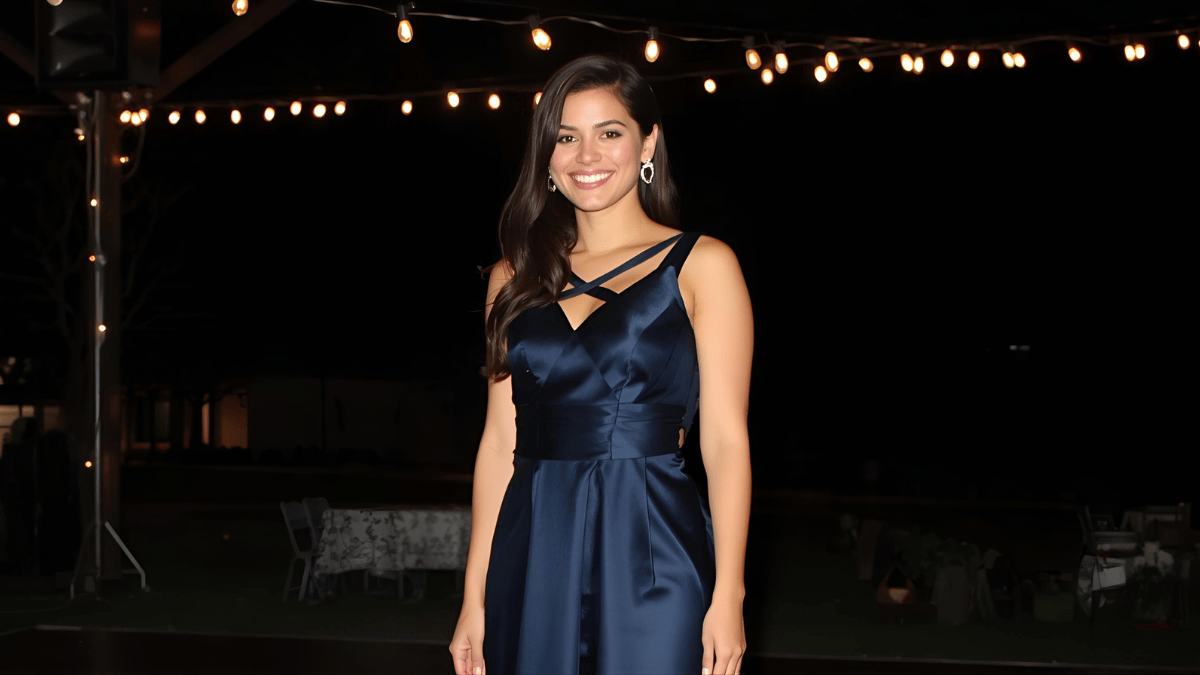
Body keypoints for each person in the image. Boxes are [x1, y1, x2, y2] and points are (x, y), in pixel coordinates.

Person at [450, 54, 753, 675]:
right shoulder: (512, 277)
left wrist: (730, 594)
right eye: (566, 137)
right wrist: (473, 598)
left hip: (653, 546)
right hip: (533, 548)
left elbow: (725, 442)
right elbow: (499, 442)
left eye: (608, 132)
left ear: (648, 142)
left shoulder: (702, 265)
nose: (586, 155)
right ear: (546, 156)